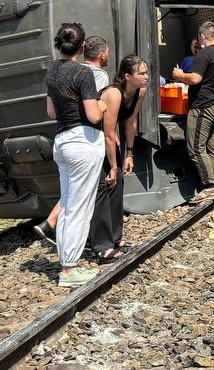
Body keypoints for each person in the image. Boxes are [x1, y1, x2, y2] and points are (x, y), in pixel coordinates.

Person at [43, 22, 106, 287]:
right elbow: (93, 114)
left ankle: (66, 262)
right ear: (82, 47)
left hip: (62, 142)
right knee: (80, 207)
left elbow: (51, 113)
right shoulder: (83, 73)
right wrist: (104, 103)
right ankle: (69, 269)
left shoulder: (52, 71)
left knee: (69, 205)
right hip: (83, 142)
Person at [90, 54, 148, 259]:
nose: (146, 77)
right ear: (127, 76)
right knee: (104, 186)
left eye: (146, 72)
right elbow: (107, 132)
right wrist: (113, 165)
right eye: (141, 73)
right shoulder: (114, 94)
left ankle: (116, 237)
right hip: (93, 140)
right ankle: (101, 245)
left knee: (118, 185)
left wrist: (129, 153)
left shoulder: (140, 91)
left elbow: (130, 122)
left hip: (110, 139)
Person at [171, 22, 214, 204]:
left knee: (196, 147)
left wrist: (179, 74)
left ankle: (210, 186)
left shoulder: (203, 53)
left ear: (203, 37)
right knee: (213, 147)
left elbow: (195, 78)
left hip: (203, 106)